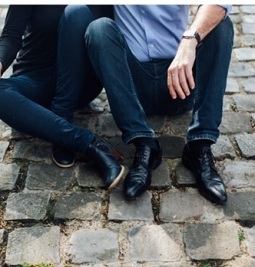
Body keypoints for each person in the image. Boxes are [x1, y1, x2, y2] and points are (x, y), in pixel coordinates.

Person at [82, 5, 233, 203]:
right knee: (99, 28)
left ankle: (200, 146)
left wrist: (190, 41)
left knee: (221, 24)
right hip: (134, 88)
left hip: (180, 83)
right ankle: (144, 145)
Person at [0, 5, 125, 190]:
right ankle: (89, 144)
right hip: (36, 78)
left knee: (76, 12)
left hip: (82, 82)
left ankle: (61, 118)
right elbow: (11, 35)